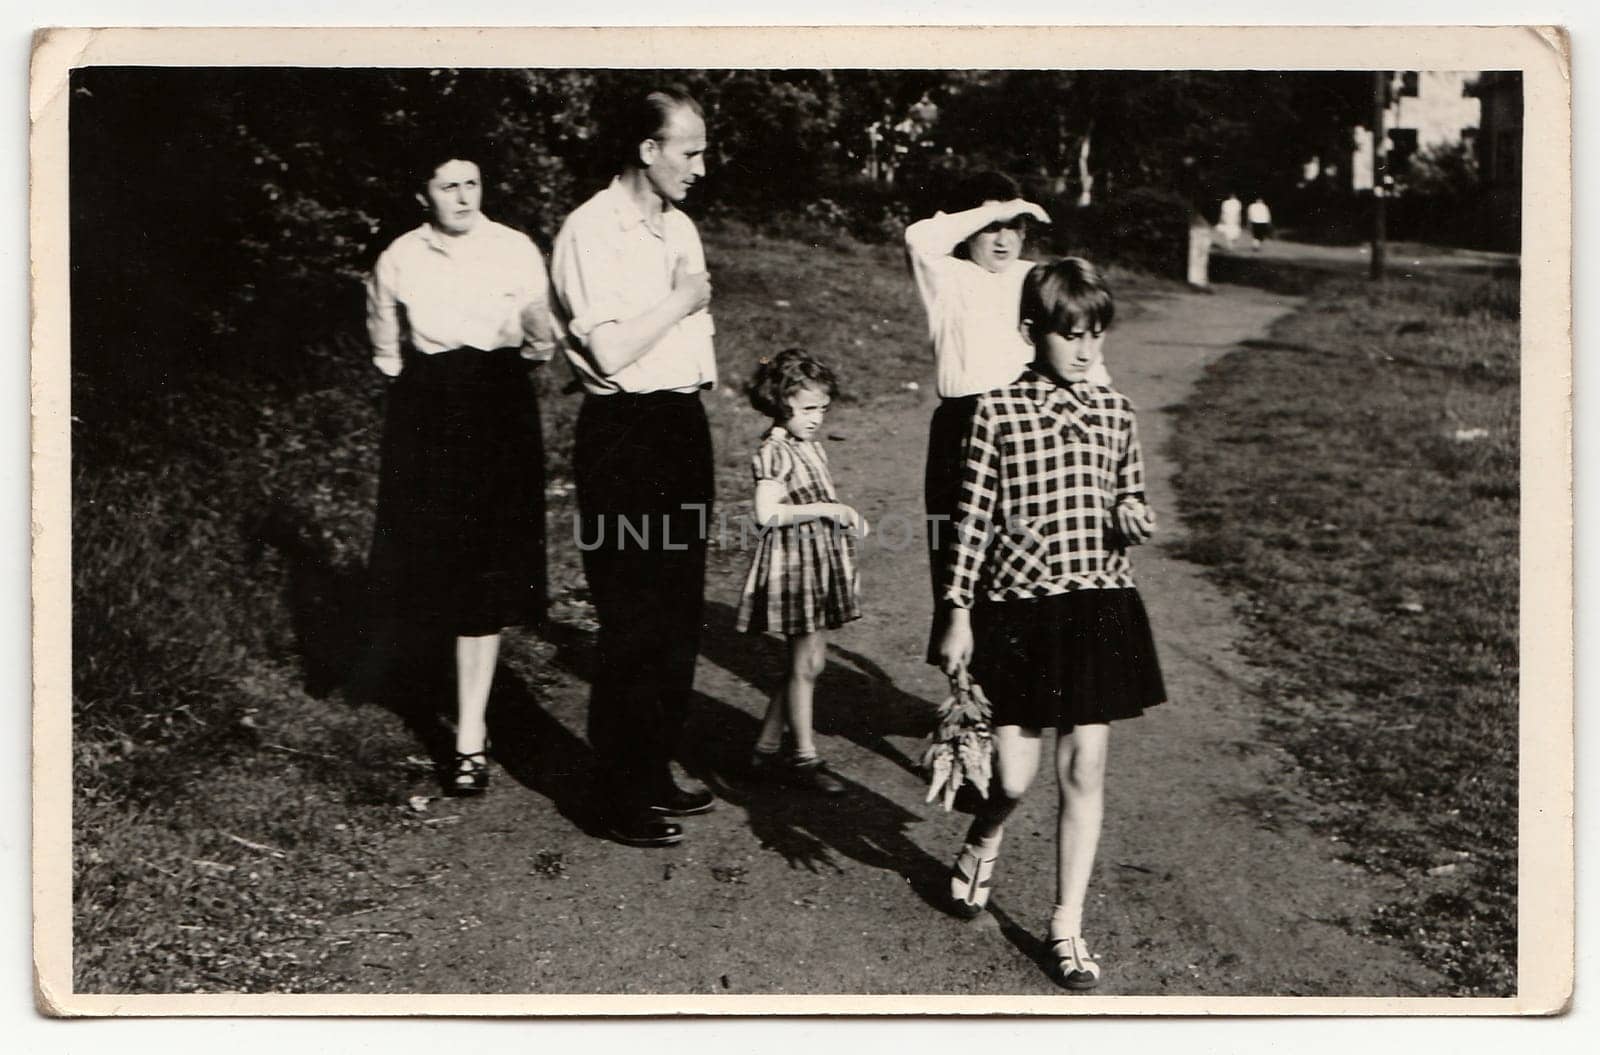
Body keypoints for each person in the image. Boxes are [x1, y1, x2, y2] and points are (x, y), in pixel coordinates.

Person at [937, 258, 1167, 990]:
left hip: (1097, 603)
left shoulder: (1116, 411)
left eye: (1096, 334)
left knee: (1085, 767)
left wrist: (1131, 514)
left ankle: (1065, 924)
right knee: (1012, 772)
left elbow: (1127, 492)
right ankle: (986, 833)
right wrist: (957, 611)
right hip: (1018, 610)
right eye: (1072, 335)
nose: (1087, 349)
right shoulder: (995, 412)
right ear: (1033, 333)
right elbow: (971, 519)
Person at [550, 87, 717, 848]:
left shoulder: (679, 225)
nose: (701, 167)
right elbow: (612, 350)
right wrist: (681, 300)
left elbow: (693, 350)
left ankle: (651, 768)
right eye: (689, 151)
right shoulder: (590, 231)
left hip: (680, 424)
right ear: (647, 150)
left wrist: (684, 310)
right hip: (625, 434)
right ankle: (612, 793)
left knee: (680, 609)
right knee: (633, 613)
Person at [364, 146, 556, 797]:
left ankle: (470, 737)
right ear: (424, 194)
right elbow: (387, 352)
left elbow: (539, 339)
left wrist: (493, 375)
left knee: (485, 572)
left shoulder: (515, 248)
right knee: (430, 559)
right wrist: (429, 387)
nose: (464, 196)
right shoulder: (398, 258)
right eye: (448, 185)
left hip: (497, 411)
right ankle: (427, 696)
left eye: (472, 183)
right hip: (426, 415)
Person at [906, 173, 1113, 666]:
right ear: (967, 229)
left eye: (1015, 226)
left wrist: (1101, 405)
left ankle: (1014, 689)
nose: (1002, 238)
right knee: (958, 554)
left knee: (1020, 556)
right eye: (990, 227)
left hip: (1026, 428)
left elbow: (1075, 331)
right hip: (963, 423)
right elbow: (919, 235)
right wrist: (999, 206)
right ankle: (966, 702)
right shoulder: (946, 274)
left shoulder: (1033, 277)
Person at [736, 349, 866, 796]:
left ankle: (766, 746)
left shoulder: (807, 445)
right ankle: (804, 757)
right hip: (793, 564)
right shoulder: (775, 450)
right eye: (806, 408)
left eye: (822, 409)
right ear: (779, 402)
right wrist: (830, 509)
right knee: (808, 664)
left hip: (815, 561)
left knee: (803, 664)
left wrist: (844, 519)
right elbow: (767, 512)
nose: (815, 418)